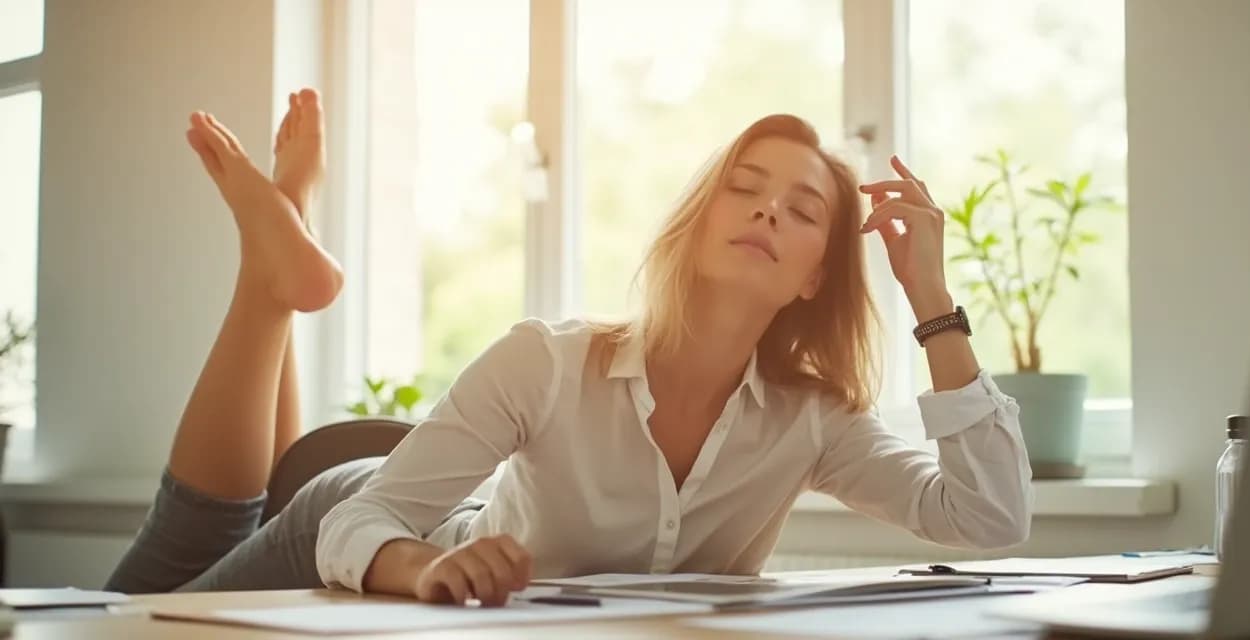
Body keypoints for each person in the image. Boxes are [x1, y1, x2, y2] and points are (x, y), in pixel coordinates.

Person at [105, 88, 1033, 606]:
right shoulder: (546, 362)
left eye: (801, 210)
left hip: (414, 519)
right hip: (381, 518)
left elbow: (987, 521)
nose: (766, 209)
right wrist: (429, 565)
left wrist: (931, 297)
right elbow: (362, 527)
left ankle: (279, 262)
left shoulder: (814, 420)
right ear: (697, 224)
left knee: (196, 550)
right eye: (744, 188)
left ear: (812, 277)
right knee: (142, 615)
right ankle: (273, 275)